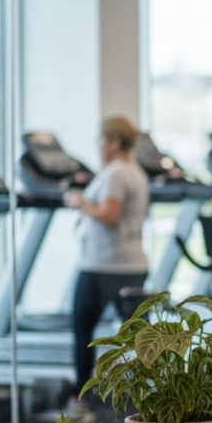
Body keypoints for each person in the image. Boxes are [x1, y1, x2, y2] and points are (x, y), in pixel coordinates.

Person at [65, 116, 149, 407]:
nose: (98, 146)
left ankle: (82, 398)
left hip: (105, 266)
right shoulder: (134, 172)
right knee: (139, 338)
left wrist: (81, 203)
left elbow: (111, 217)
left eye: (101, 140)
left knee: (82, 331)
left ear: (113, 142)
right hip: (130, 263)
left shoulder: (115, 174)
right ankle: (147, 397)